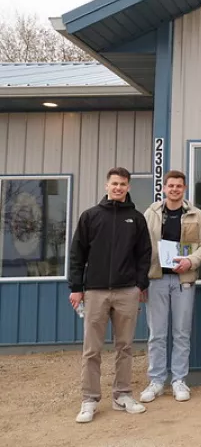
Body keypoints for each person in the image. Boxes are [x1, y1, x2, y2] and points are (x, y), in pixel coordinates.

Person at [68, 167, 152, 423]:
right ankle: (90, 399)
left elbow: (144, 255)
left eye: (123, 184)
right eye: (114, 183)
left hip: (127, 291)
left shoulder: (136, 219)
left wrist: (139, 284)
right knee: (91, 349)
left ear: (128, 187)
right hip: (95, 292)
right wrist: (76, 288)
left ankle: (122, 395)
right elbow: (77, 254)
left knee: (125, 347)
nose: (118, 187)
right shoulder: (90, 217)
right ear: (107, 186)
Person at [140, 170, 201, 404]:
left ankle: (179, 380)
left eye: (179, 186)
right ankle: (157, 380)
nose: (174, 189)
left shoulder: (196, 215)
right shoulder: (151, 213)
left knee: (182, 333)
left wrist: (191, 261)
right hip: (156, 279)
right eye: (170, 186)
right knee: (157, 334)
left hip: (184, 281)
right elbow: (139, 246)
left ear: (184, 189)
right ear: (164, 188)